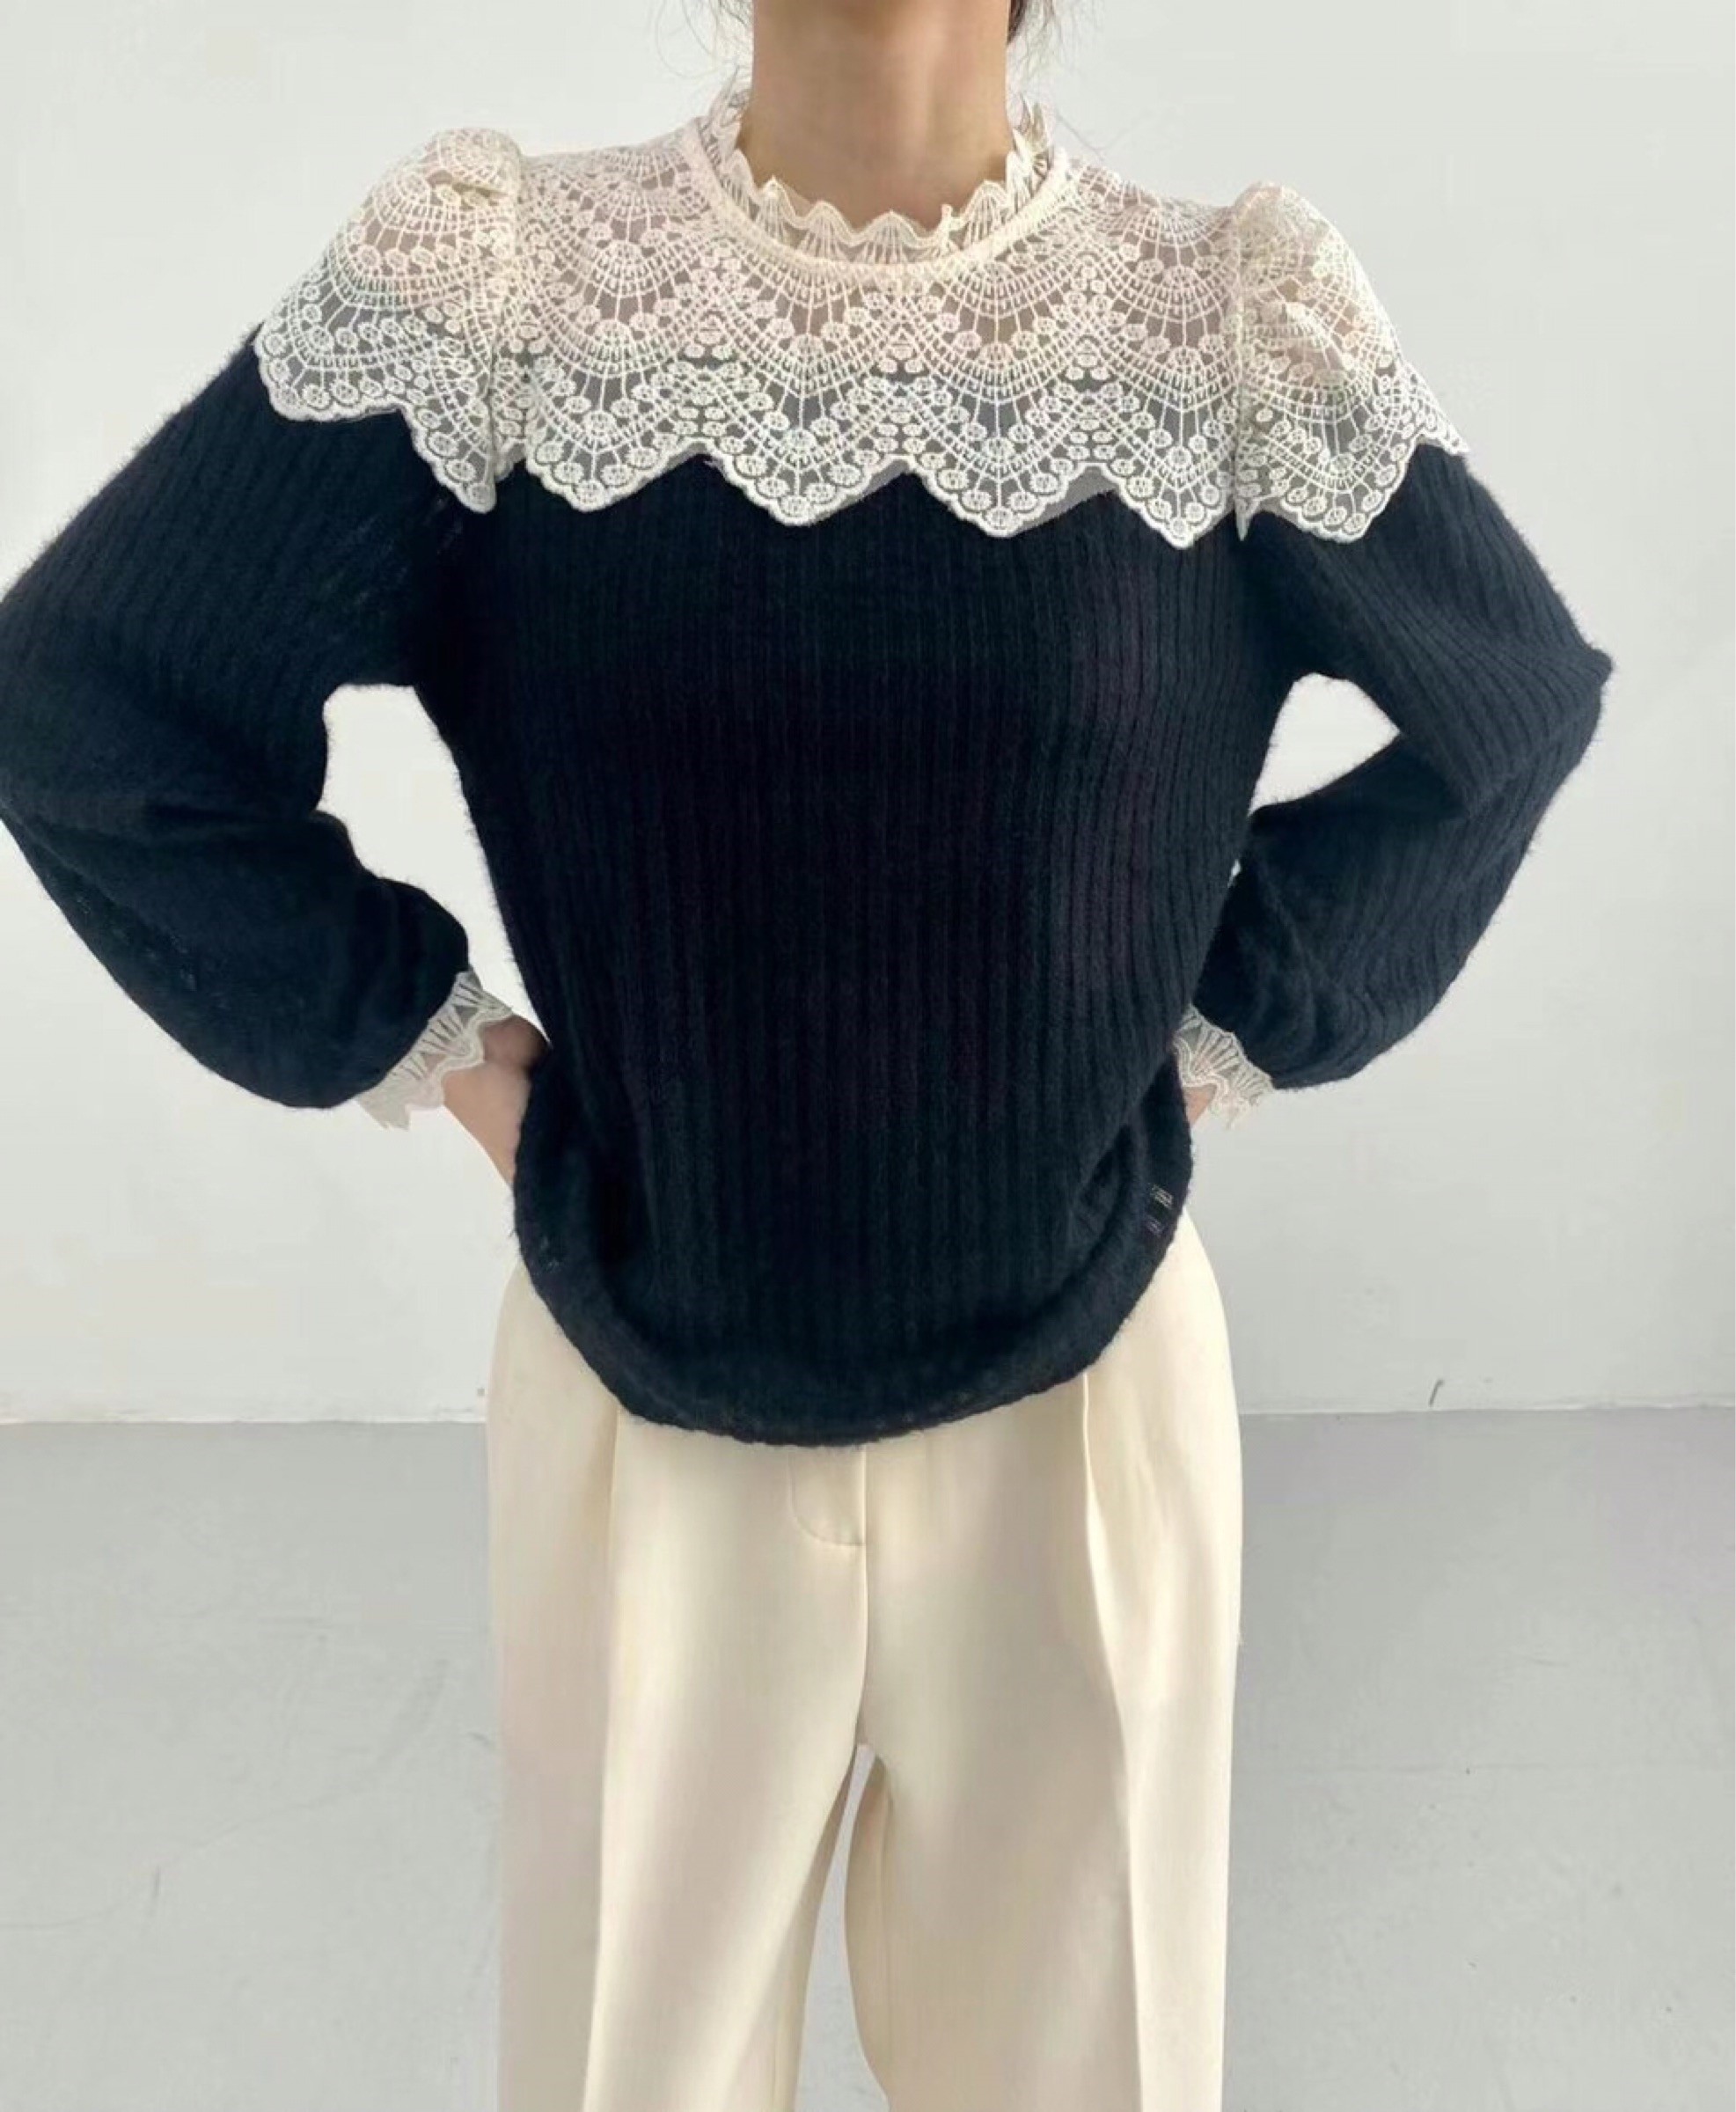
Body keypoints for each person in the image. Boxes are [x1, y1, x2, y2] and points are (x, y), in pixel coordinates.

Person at [0, 0, 1614, 2104]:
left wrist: (1218, 1031)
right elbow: (87, 704)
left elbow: (1511, 707)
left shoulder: (1221, 319)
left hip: (1089, 1409)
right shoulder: (504, 292)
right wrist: (446, 1055)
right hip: (642, 1385)